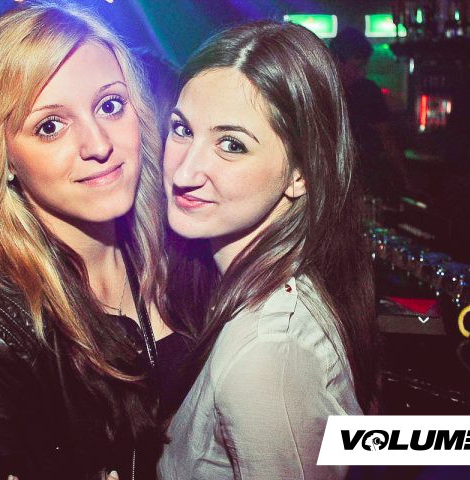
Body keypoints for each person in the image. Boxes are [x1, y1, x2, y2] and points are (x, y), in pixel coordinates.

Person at [0, 4, 191, 479]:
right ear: (3, 159)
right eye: (50, 126)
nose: (98, 144)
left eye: (110, 105)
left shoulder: (184, 253)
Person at [157, 20, 379, 479]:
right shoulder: (253, 286)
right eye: (182, 130)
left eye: (231, 144)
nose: (184, 172)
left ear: (301, 173)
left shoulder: (266, 356)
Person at [330, 27, 408, 200]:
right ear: (337, 61)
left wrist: (405, 179)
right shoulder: (322, 92)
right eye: (357, 66)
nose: (362, 73)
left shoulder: (368, 91)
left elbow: (387, 138)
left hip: (366, 179)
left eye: (363, 66)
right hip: (338, 182)